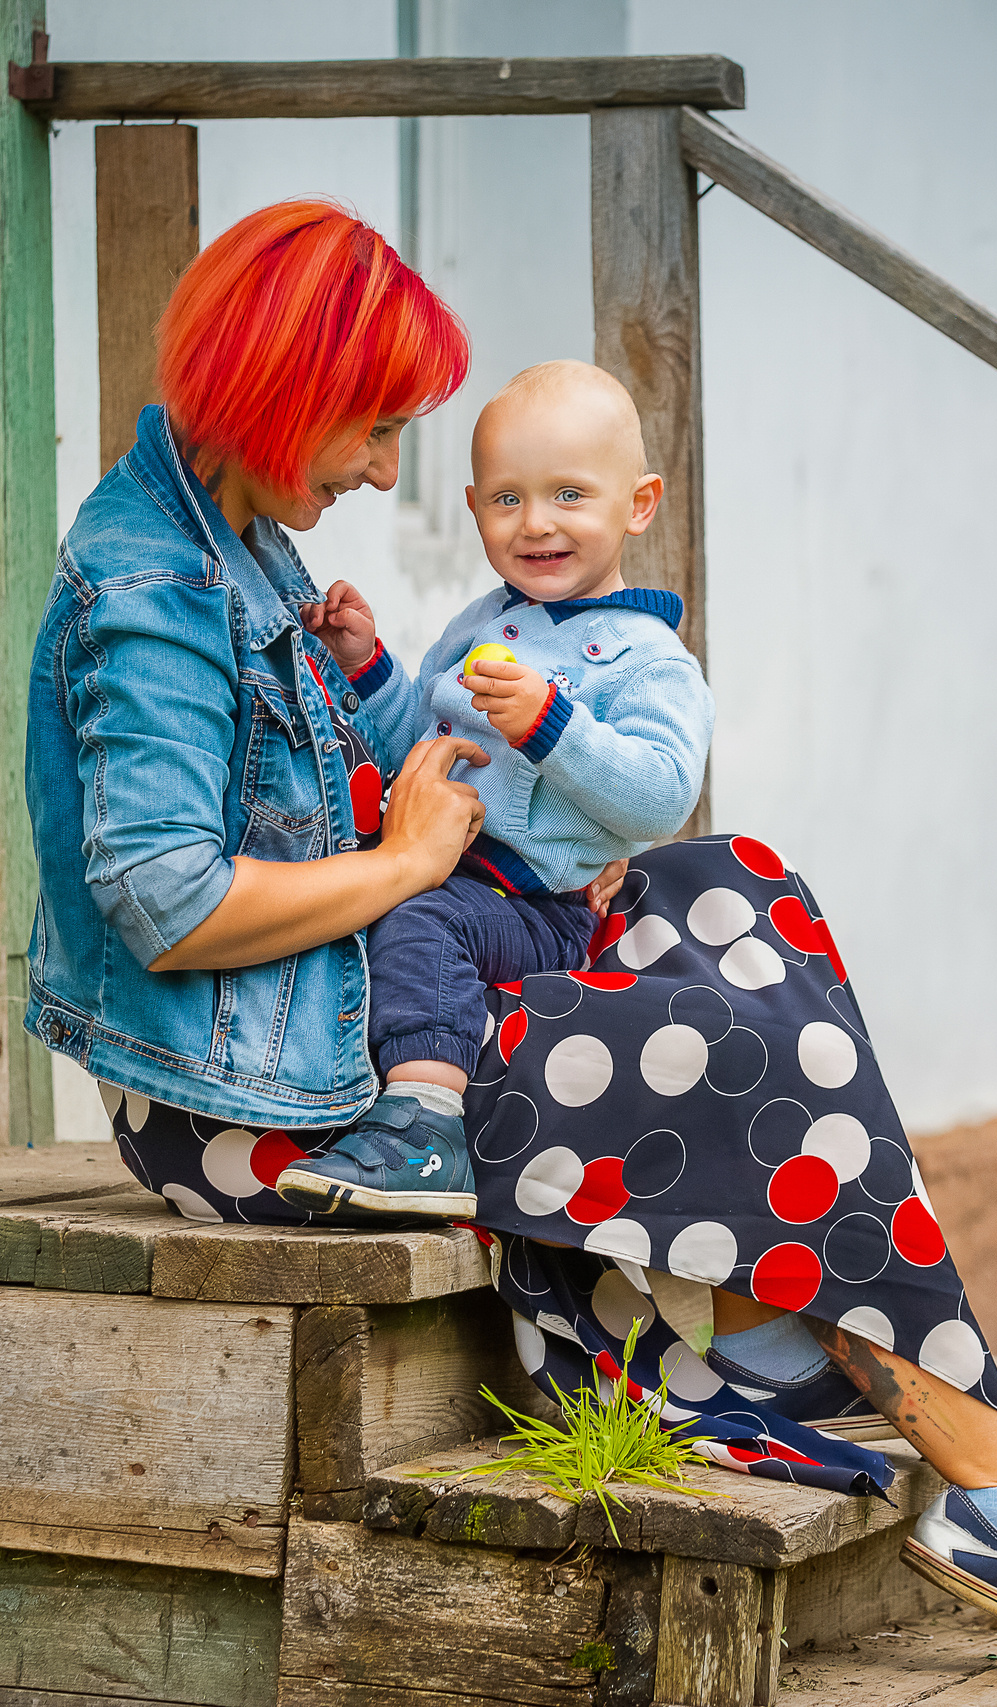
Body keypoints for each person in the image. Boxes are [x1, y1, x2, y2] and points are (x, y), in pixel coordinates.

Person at [23, 198, 997, 1673]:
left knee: (738, 885)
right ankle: (996, 1479)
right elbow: (169, 905)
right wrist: (403, 860)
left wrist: (412, 791)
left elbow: (444, 769)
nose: (386, 470)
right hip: (259, 1099)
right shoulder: (156, 591)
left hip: (365, 987)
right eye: (371, 430)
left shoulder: (240, 545)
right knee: (738, 1047)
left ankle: (792, 1331)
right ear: (281, 398)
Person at [275, 361, 714, 1222]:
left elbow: (662, 796)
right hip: (444, 868)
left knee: (421, 919)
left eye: (569, 496)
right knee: (354, 898)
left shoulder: (649, 657)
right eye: (508, 499)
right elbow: (422, 748)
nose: (537, 523)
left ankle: (426, 1129)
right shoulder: (479, 624)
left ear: (638, 503)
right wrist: (367, 667)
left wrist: (553, 726)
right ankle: (325, 1109)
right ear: (474, 507)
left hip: (537, 906)